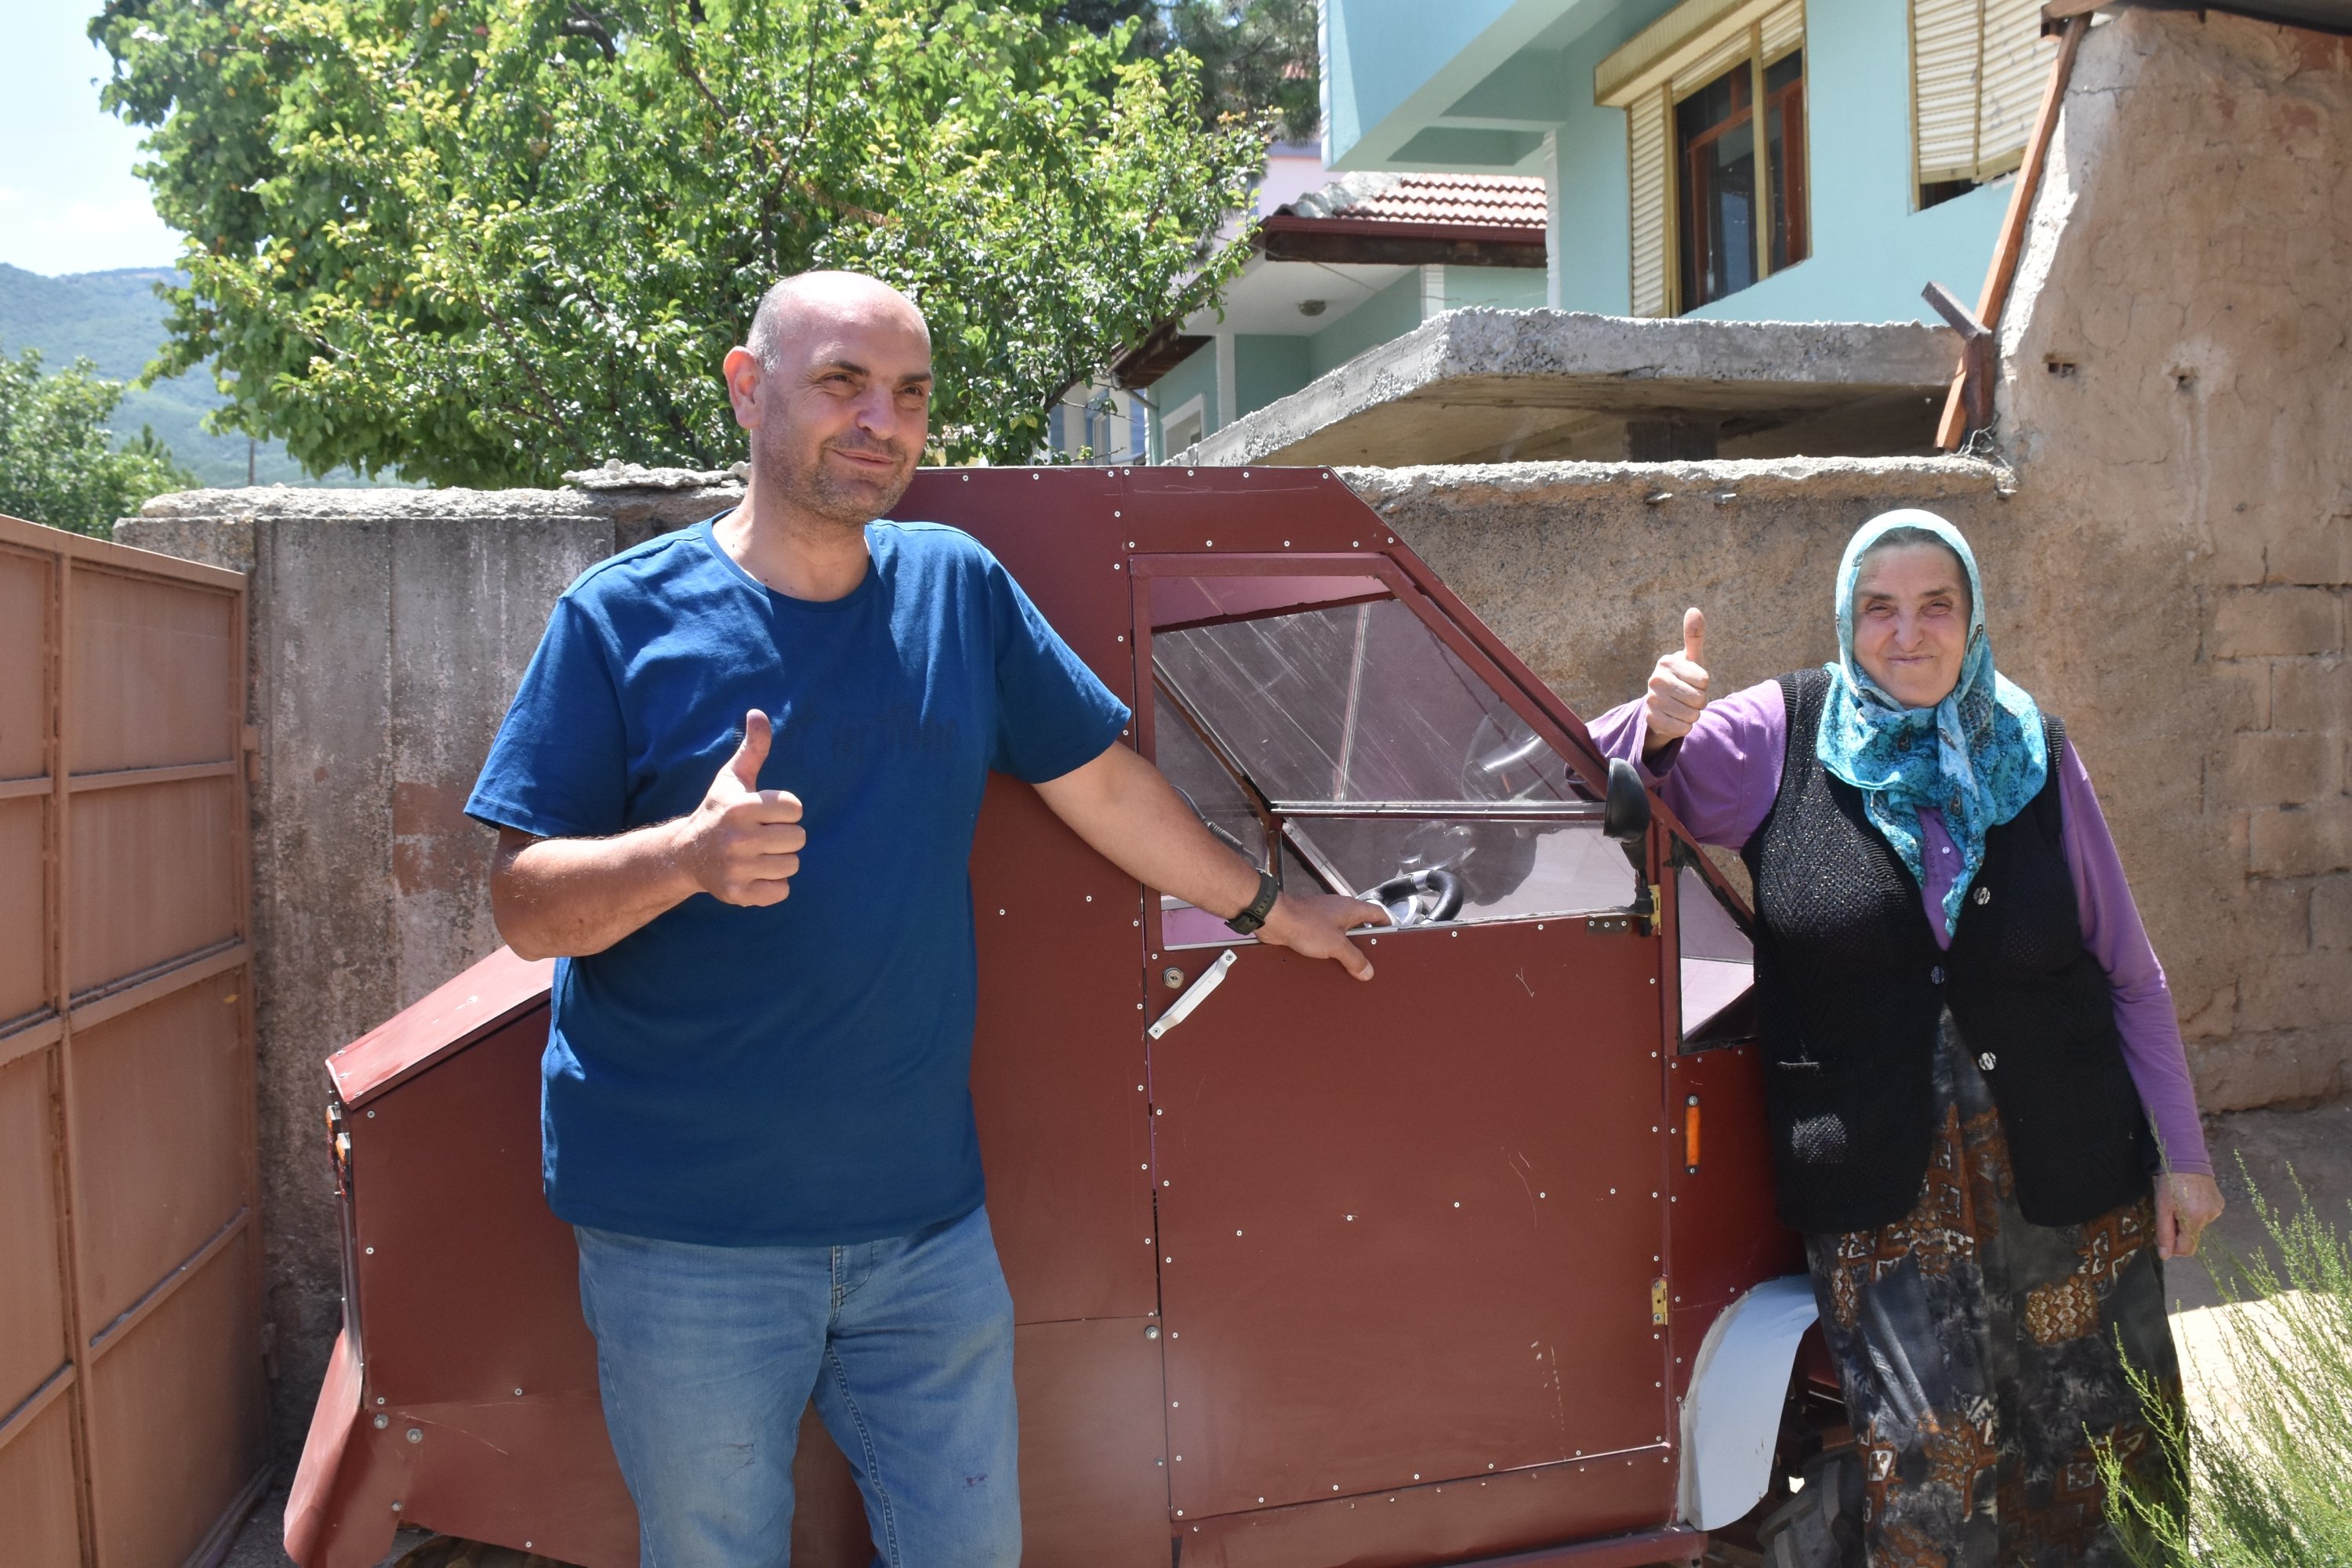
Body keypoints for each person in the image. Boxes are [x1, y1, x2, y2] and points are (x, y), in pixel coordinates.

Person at [464, 270, 1385, 1568]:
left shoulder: (956, 587)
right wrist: (686, 855)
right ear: (748, 387)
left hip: (922, 1230)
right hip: (689, 1239)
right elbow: (520, 909)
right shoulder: (619, 620)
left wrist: (1271, 907)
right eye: (843, 383)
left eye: (909, 396)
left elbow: (1102, 784)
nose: (880, 423)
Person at [1589, 510, 2224, 1566]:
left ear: (1972, 621)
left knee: (2103, 1461)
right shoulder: (1780, 736)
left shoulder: (2036, 749)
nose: (1908, 633)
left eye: (1937, 606)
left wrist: (2186, 1160)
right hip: (1885, 1201)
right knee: (1930, 1474)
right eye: (1879, 608)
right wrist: (1655, 724)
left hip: (2071, 1177)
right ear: (1846, 619)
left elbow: (2130, 971)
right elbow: (1613, 779)